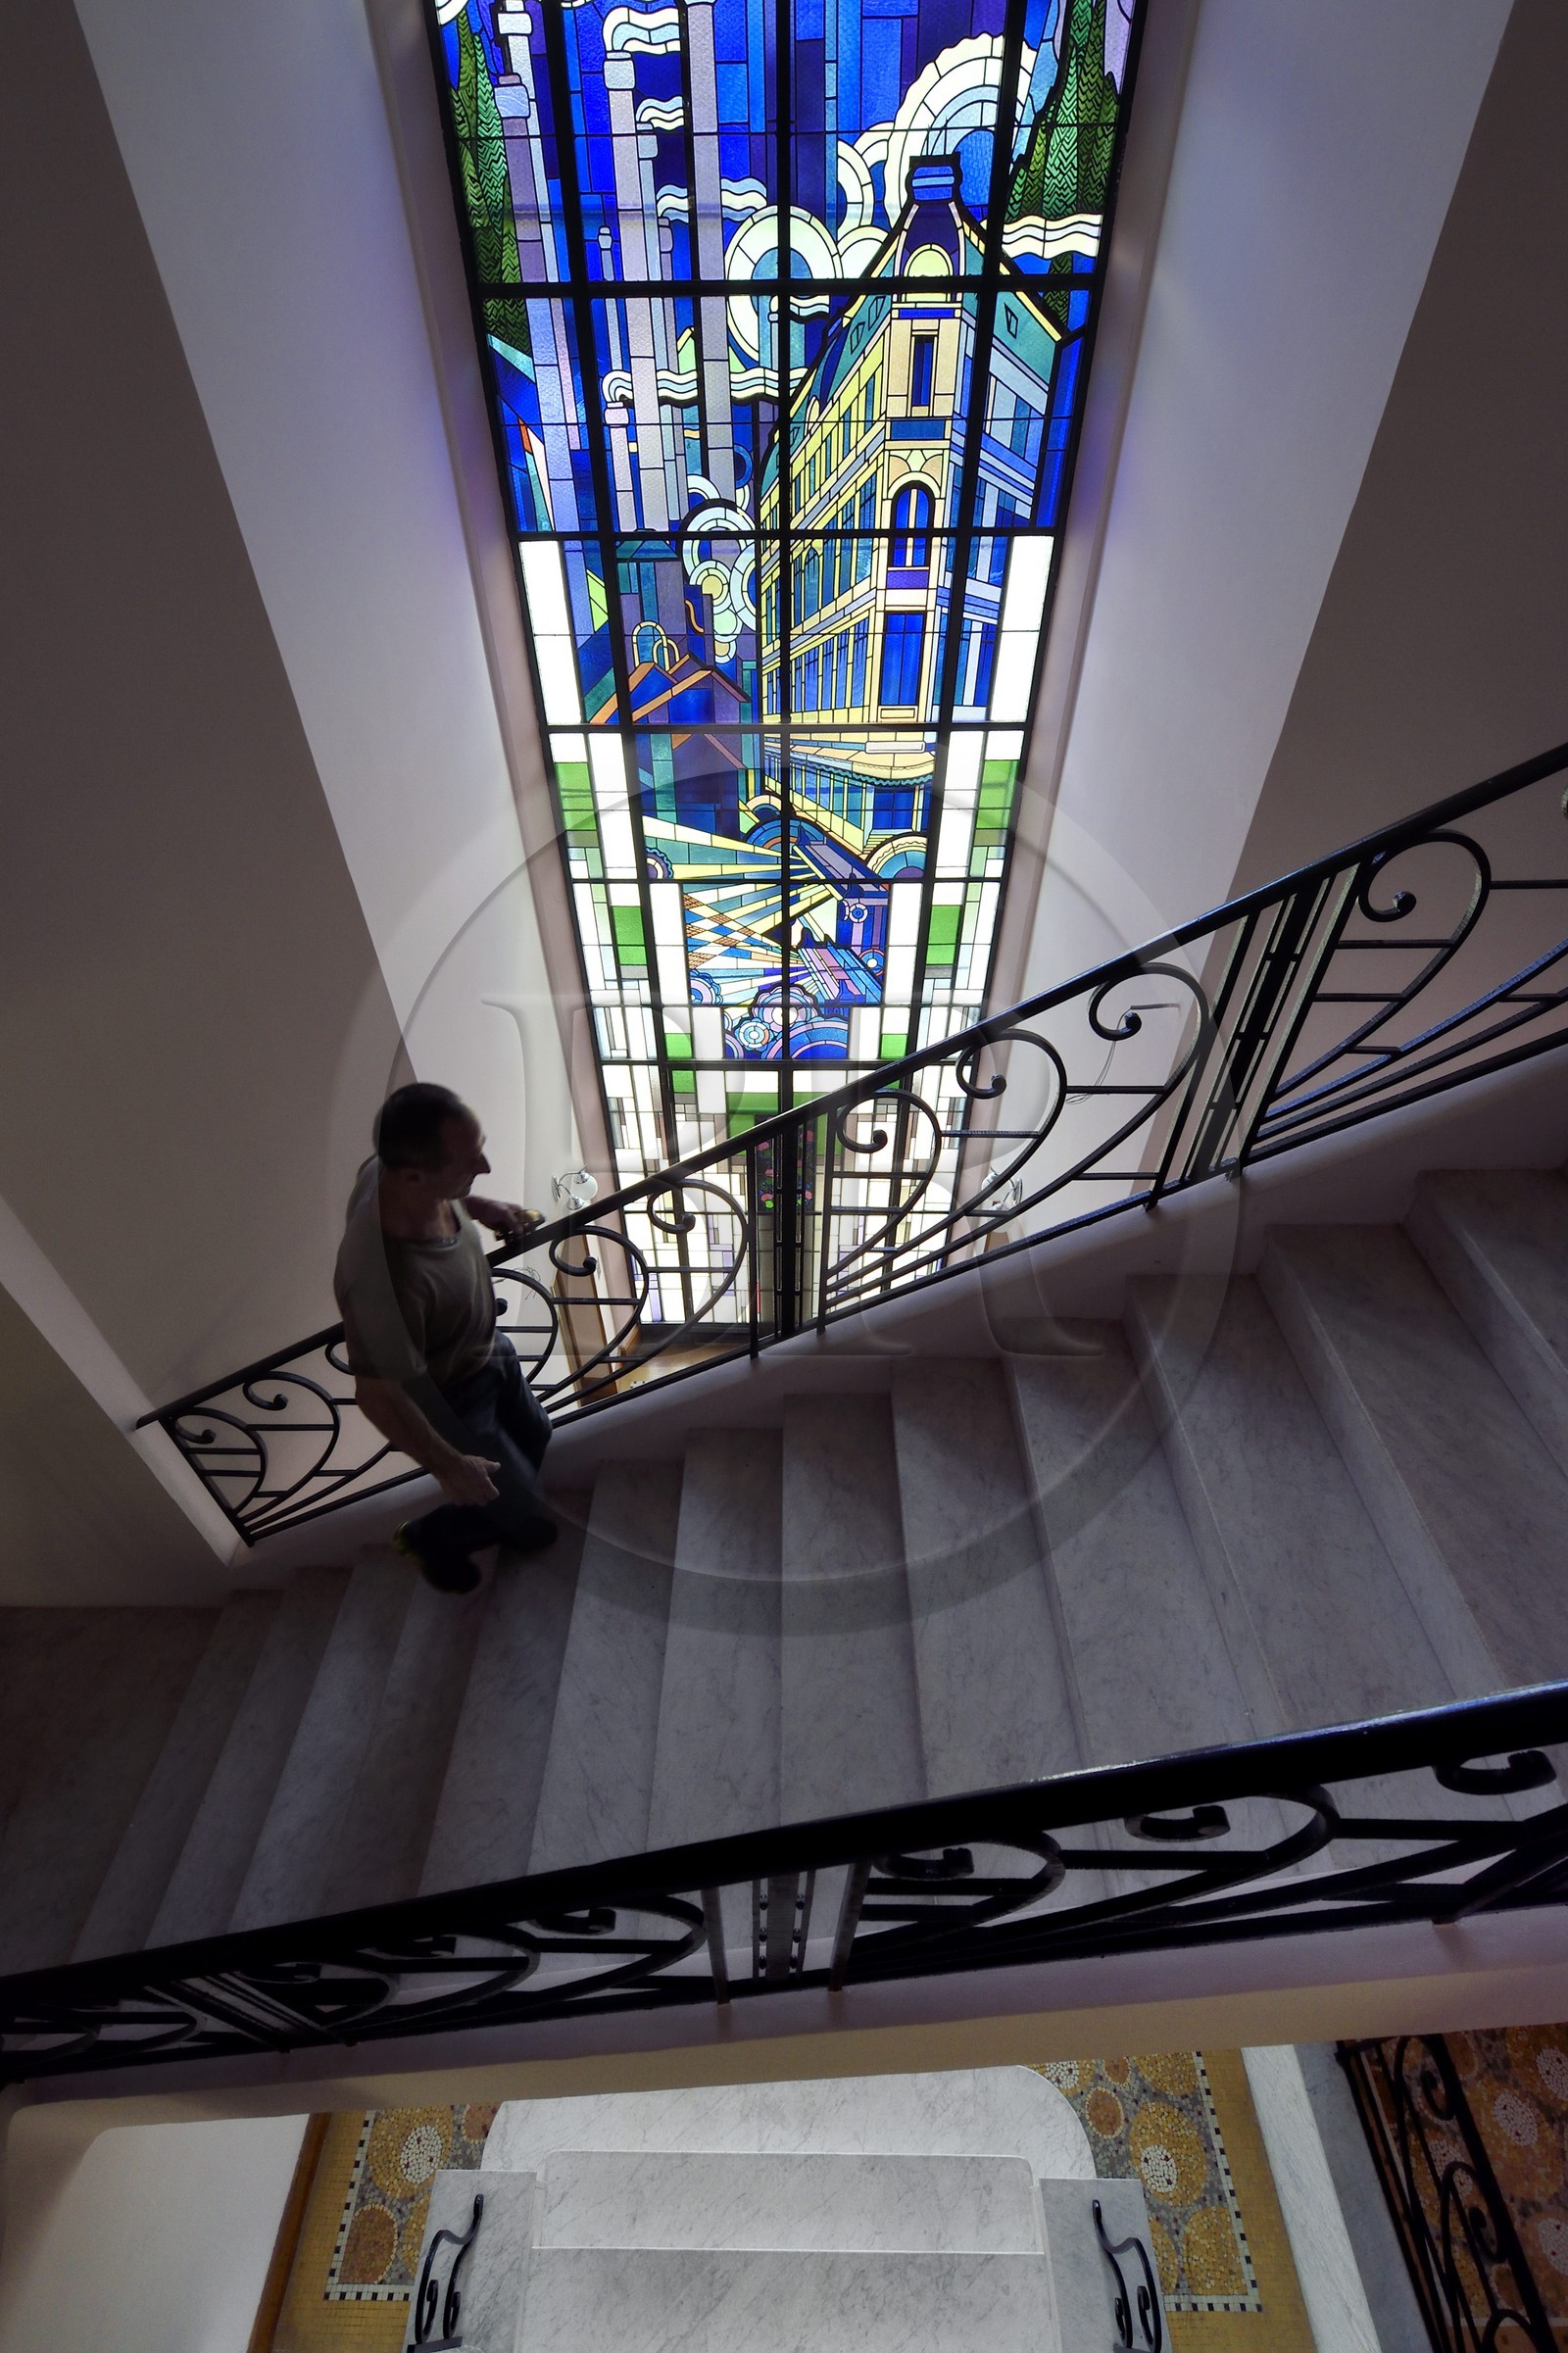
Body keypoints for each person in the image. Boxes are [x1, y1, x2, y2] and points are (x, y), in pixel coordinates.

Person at [334, 1082, 557, 1592]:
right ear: (414, 1175)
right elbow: (376, 1395)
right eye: (468, 1163)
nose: (485, 1166)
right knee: (505, 1492)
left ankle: (509, 1519)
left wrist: (478, 1205)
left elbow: (449, 1184)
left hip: (487, 1350)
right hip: (449, 1396)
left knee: (537, 1434)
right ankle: (427, 1540)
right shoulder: (381, 1280)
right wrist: (450, 1467)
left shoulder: (384, 1170)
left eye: (479, 1148)